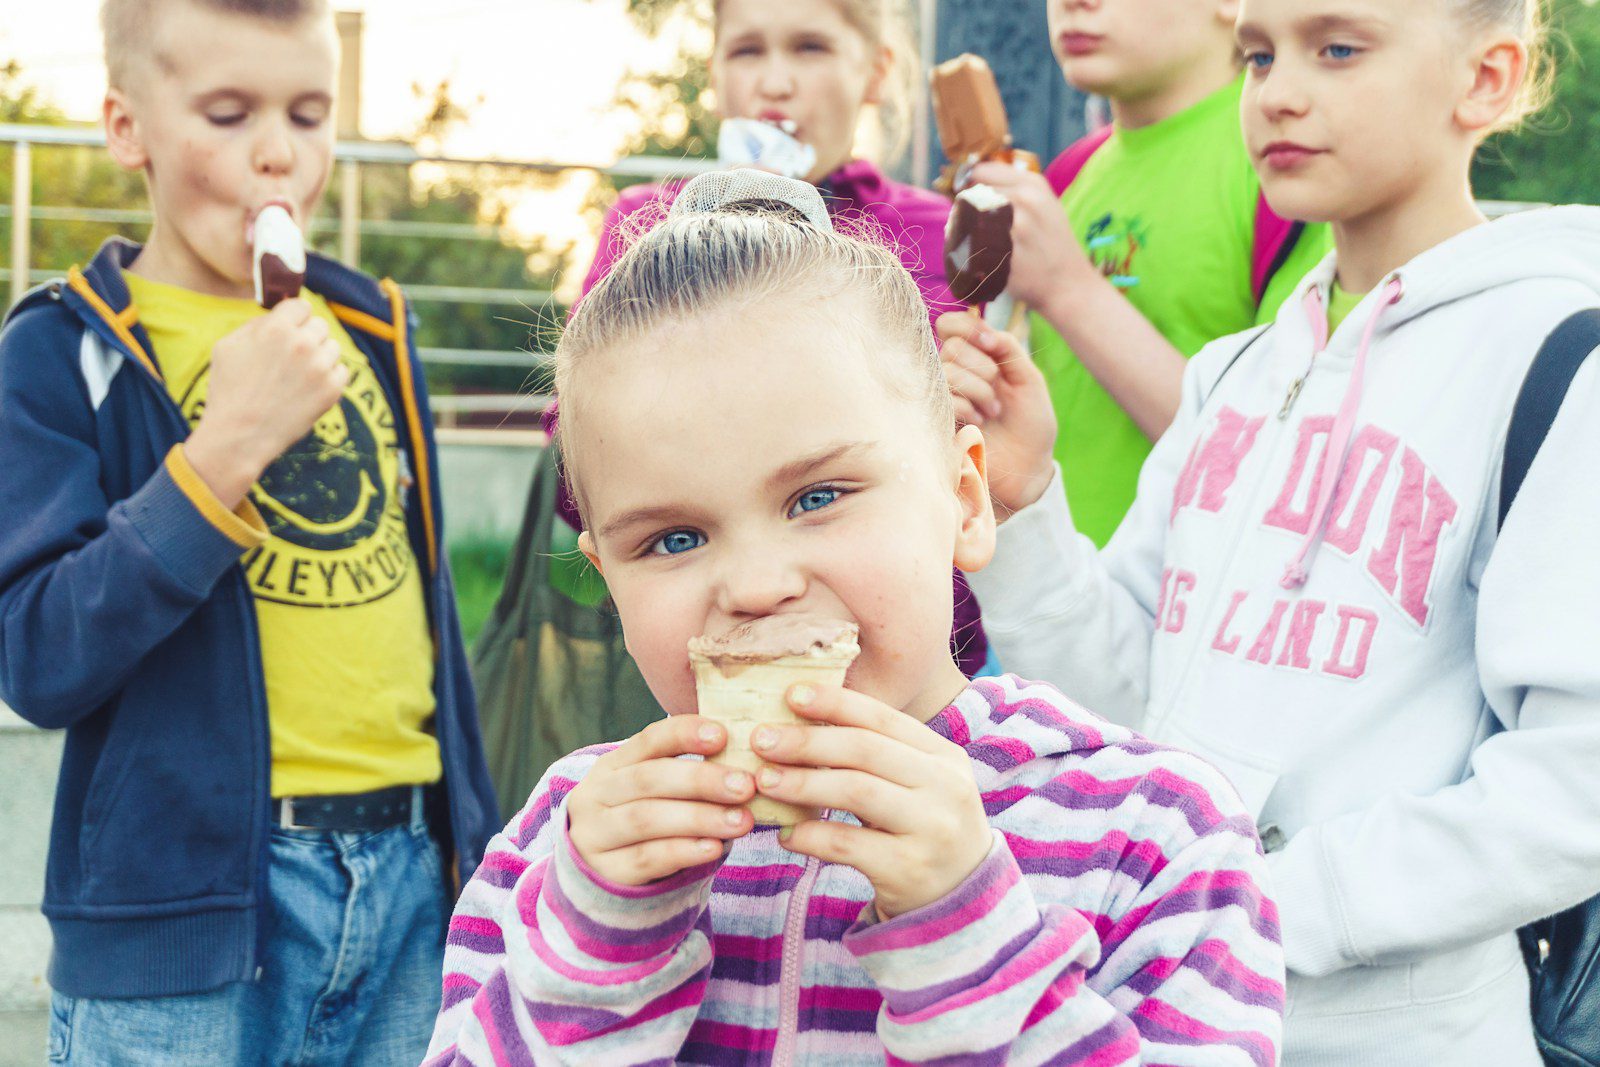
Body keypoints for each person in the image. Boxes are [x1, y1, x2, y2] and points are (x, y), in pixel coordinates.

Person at [424, 170, 1283, 1065]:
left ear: (966, 499)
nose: (755, 586)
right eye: (673, 539)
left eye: (818, 495)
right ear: (608, 577)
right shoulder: (561, 844)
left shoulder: (1149, 832)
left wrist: (968, 937)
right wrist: (592, 945)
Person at [942, 0, 1600, 1060]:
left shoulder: (1559, 359)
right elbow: (1129, 698)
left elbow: (1578, 784)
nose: (1277, 91)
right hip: (1169, 1015)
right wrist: (1021, 505)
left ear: (1485, 79)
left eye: (1337, 48)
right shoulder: (1234, 374)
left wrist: (1271, 898)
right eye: (1257, 54)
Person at [0, 0, 498, 1061]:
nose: (278, 153)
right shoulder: (59, 352)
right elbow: (37, 652)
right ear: (126, 128)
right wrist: (219, 455)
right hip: (183, 910)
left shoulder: (367, 326)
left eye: (309, 114)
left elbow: (429, 624)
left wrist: (476, 850)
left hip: (415, 879)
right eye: (227, 114)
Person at [558, 0, 991, 673]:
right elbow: (581, 467)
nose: (775, 81)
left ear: (874, 70)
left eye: (809, 48)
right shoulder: (646, 231)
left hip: (926, 651)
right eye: (747, 51)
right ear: (715, 73)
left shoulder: (939, 230)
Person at [942, 0, 1330, 547]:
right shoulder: (1069, 173)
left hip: (1191, 603)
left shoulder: (1292, 165)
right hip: (1047, 587)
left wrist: (1068, 289)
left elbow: (1279, 461)